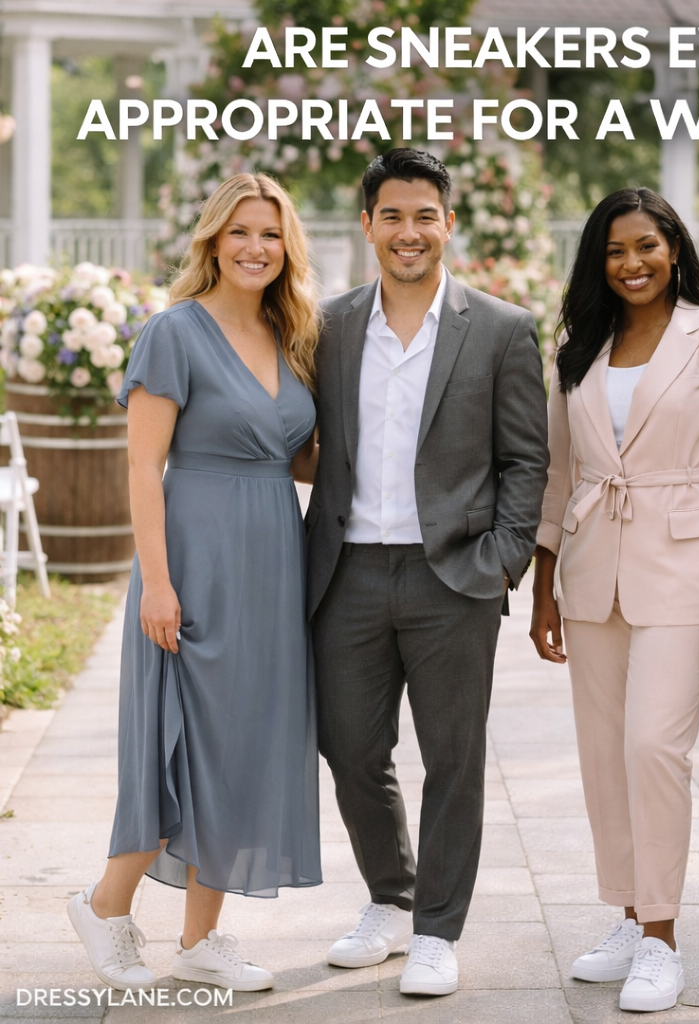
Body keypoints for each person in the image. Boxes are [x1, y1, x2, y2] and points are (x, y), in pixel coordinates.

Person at [67, 173, 323, 992]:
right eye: (240, 231)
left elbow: (299, 454)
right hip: (196, 553)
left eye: (271, 234)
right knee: (179, 739)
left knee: (244, 742)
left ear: (289, 249)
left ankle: (201, 939)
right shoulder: (173, 333)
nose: (256, 247)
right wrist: (156, 583)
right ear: (213, 239)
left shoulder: (293, 336)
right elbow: (143, 464)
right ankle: (106, 906)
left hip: (273, 559)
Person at [306, 148, 548, 997]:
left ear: (449, 223)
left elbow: (526, 459)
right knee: (351, 750)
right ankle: (389, 897)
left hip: (455, 578)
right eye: (392, 216)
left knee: (454, 757)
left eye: (425, 216)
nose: (409, 232)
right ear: (367, 225)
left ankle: (437, 930)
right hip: (345, 573)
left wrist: (503, 559)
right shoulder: (327, 327)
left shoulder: (503, 328)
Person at [529, 187, 699, 1013]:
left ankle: (663, 941)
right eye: (614, 251)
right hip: (592, 568)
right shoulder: (575, 347)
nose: (632, 264)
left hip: (688, 568)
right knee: (603, 757)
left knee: (652, 750)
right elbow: (561, 474)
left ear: (674, 249)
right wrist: (542, 584)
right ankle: (629, 917)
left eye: (646, 247)